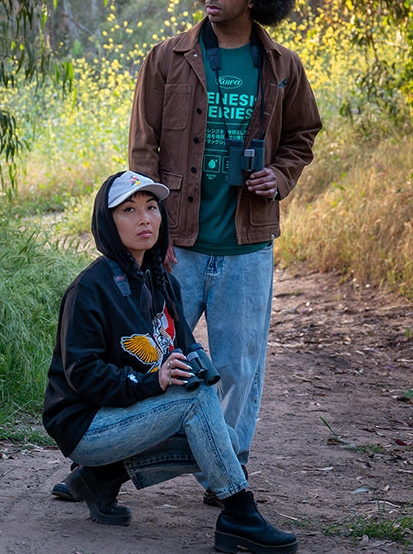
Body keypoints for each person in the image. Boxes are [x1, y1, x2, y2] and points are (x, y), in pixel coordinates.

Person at [128, 0, 322, 502]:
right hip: (178, 244)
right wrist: (148, 230)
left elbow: (303, 135)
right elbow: (143, 150)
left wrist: (281, 174)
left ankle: (228, 472)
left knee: (238, 367)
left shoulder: (281, 66)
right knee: (153, 354)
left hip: (247, 247)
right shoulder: (167, 59)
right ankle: (110, 464)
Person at [42, 170, 299, 554]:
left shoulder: (161, 280)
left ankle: (102, 478)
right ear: (107, 222)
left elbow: (183, 342)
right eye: (128, 210)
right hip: (85, 426)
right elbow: (82, 375)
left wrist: (196, 362)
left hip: (126, 415)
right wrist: (154, 382)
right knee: (196, 405)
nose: (144, 219)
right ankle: (239, 515)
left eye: (151, 207)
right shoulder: (90, 289)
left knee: (218, 433)